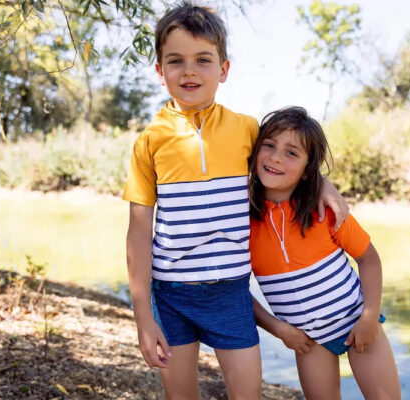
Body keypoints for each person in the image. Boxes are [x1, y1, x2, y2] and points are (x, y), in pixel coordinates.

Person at [123, 4, 348, 399]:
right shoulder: (149, 141)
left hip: (231, 294)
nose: (189, 71)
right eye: (176, 61)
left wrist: (323, 182)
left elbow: (283, 163)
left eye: (202, 60)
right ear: (160, 71)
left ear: (223, 70)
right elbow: (139, 233)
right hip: (171, 294)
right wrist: (143, 315)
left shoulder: (245, 129)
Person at [250, 106, 401, 400]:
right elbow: (236, 289)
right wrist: (278, 329)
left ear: (308, 171)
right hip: (308, 340)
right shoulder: (243, 222)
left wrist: (369, 317)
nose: (276, 157)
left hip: (357, 321)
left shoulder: (326, 211)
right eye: (269, 145)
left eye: (292, 153)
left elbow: (369, 259)